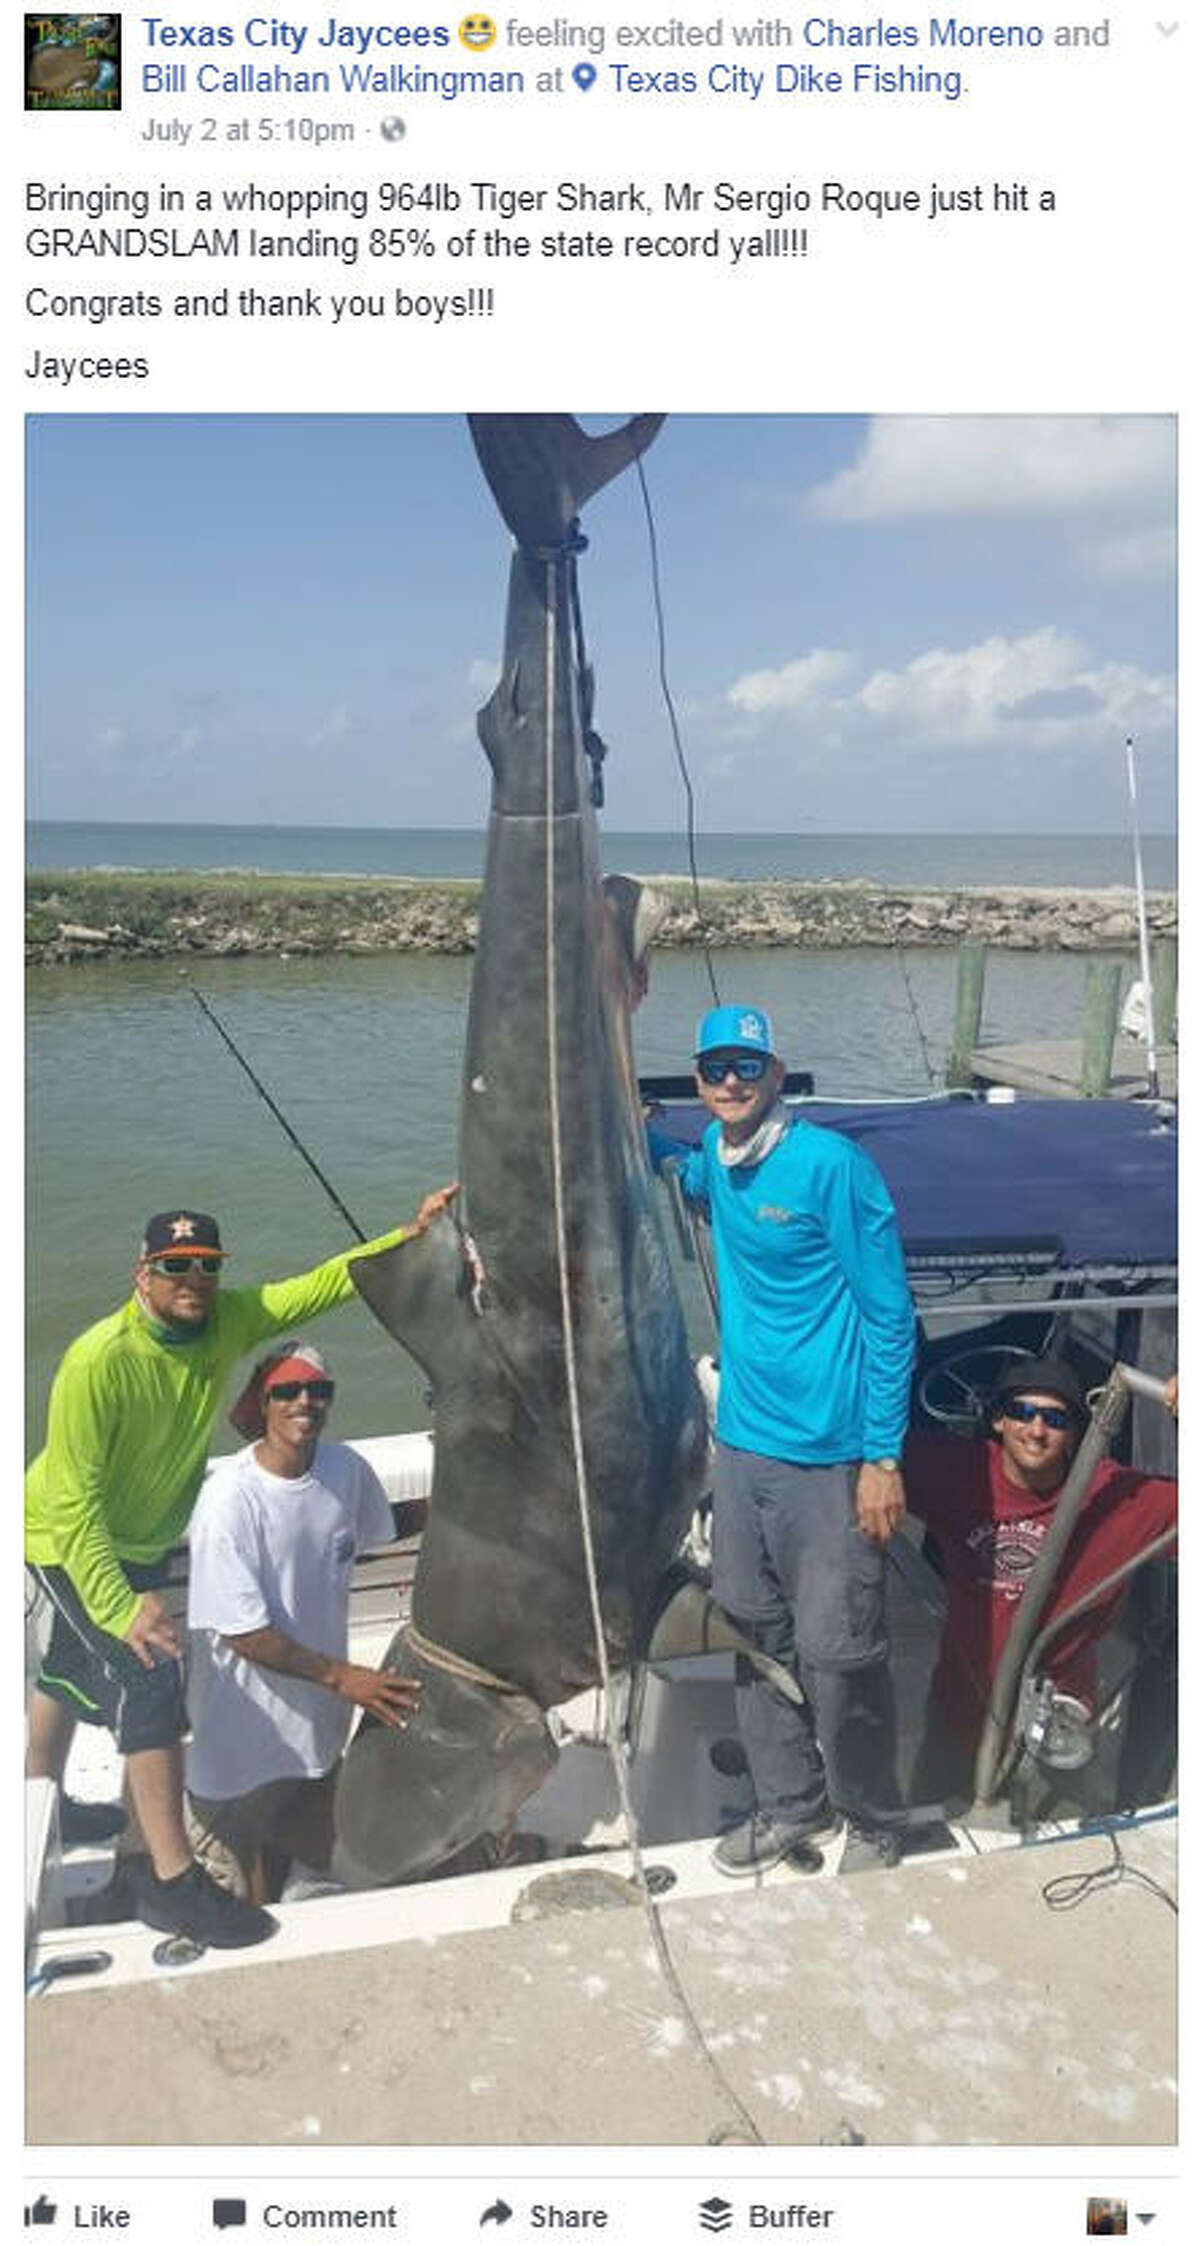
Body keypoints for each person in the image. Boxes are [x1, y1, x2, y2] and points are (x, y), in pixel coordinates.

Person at [25, 1187, 456, 1947]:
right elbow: (75, 1503)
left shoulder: (225, 1323)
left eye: (206, 1266)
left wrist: (406, 1237)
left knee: (62, 1674)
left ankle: (44, 1798)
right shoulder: (99, 1362)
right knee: (149, 1680)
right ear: (142, 1274)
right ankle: (172, 1882)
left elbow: (317, 1286)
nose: (192, 1279)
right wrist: (123, 1608)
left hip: (143, 1539)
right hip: (66, 1538)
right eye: (175, 1265)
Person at [648, 1005, 916, 1875]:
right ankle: (790, 1806)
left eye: (748, 1068)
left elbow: (890, 1316)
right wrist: (633, 1127)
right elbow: (677, 1167)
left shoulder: (833, 1167)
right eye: (716, 1068)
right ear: (698, 1080)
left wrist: (882, 1457)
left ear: (776, 1074)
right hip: (745, 1452)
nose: (731, 1082)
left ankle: (873, 1819)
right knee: (756, 1639)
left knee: (843, 1656)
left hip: (832, 1463)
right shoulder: (716, 1169)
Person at [185, 1343, 419, 1901]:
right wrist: (346, 1679)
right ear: (262, 1403)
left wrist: (467, 1500)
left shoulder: (345, 1470)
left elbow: (381, 1526)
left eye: (318, 1390)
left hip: (316, 1732)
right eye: (287, 1391)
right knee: (235, 1901)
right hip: (239, 1742)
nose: (304, 1401)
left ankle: (293, 1883)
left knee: (320, 1848)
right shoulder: (229, 1502)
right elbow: (243, 1633)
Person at [905, 1354, 1178, 1807]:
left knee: (1062, 1862)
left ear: (1075, 1432)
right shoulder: (957, 1470)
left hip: (1056, 1726)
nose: (1036, 1430)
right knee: (922, 1845)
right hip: (957, 1711)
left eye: (1054, 1418)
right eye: (1022, 1413)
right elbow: (847, 1448)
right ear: (997, 1421)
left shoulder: (1116, 1496)